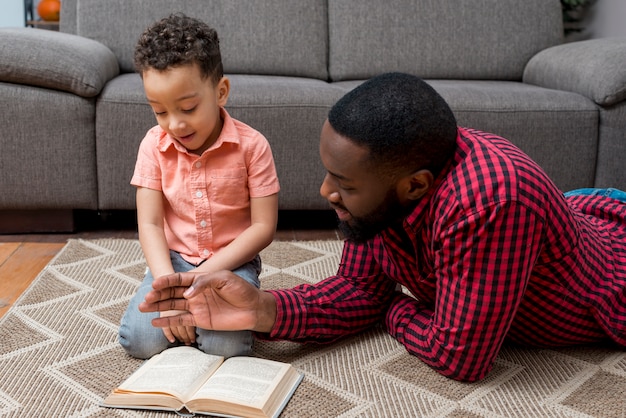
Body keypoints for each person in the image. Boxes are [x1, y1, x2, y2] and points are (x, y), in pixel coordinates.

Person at [138, 72, 626, 382]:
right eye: (329, 172)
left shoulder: (490, 206)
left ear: (414, 187)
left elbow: (461, 358)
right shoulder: (384, 193)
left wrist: (391, 307)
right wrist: (262, 309)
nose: (327, 193)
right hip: (574, 215)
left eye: (345, 184)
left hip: (608, 276)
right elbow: (356, 289)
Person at [118, 14, 280, 359]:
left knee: (227, 347)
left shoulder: (253, 146)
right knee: (139, 341)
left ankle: (198, 324)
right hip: (172, 264)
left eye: (188, 108)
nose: (174, 124)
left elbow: (263, 227)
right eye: (159, 111)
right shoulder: (153, 145)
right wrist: (168, 287)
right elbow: (149, 223)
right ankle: (187, 320)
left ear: (220, 92)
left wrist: (199, 280)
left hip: (230, 264)